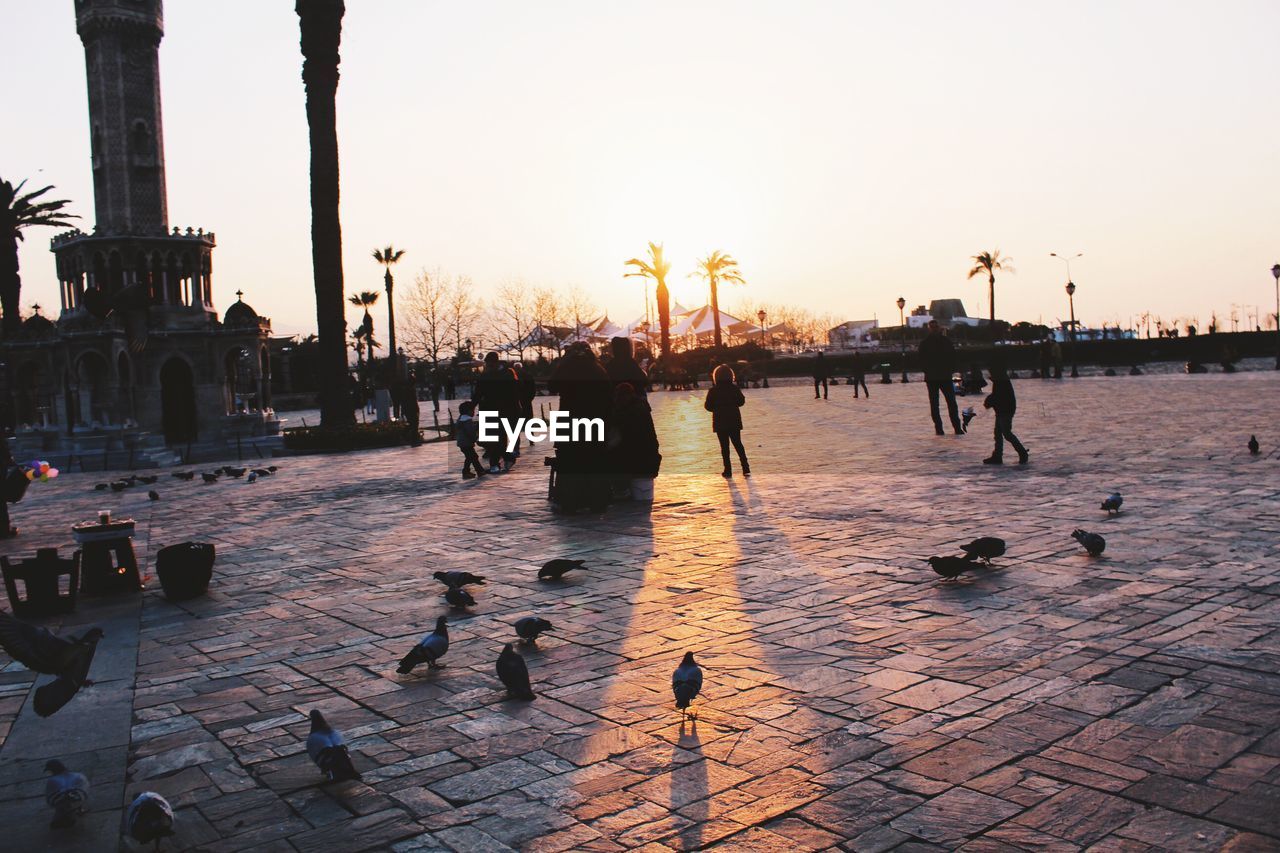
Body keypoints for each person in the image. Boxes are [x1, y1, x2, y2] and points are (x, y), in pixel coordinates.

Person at [547, 342, 613, 511]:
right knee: (594, 458)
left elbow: (552, 385)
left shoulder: (567, 368)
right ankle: (597, 501)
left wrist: (564, 362)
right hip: (594, 418)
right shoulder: (597, 368)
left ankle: (571, 501)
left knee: (570, 460)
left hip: (570, 418)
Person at [607, 382, 661, 500]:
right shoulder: (641, 409)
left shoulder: (623, 414)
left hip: (634, 462)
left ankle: (621, 492)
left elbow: (622, 440)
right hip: (646, 462)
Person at [472, 352, 521, 472]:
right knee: (498, 438)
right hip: (505, 410)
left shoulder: (486, 376)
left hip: (491, 410)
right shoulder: (509, 373)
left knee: (493, 439)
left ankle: (497, 463)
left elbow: (478, 393)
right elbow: (515, 392)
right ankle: (502, 460)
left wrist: (471, 406)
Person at [918, 320, 964, 436]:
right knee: (945, 403)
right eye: (933, 327)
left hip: (937, 376)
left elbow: (921, 360)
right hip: (940, 376)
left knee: (942, 403)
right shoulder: (942, 342)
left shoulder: (927, 343)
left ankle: (948, 428)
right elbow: (953, 356)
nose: (934, 329)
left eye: (935, 327)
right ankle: (947, 428)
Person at [704, 364, 750, 477]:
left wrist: (716, 408)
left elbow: (708, 406)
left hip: (720, 422)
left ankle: (728, 469)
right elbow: (741, 402)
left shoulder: (713, 391)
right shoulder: (734, 389)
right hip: (734, 420)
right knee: (738, 444)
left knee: (724, 447)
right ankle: (745, 467)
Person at [983, 358, 1029, 465]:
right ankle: (997, 456)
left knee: (1006, 433)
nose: (989, 371)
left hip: (1005, 410)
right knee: (998, 433)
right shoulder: (1000, 379)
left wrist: (990, 401)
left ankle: (1022, 452)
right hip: (1002, 410)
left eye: (991, 369)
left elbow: (999, 396)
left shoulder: (1000, 380)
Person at [454, 401, 487, 479]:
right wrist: (475, 438)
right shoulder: (467, 421)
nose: (473, 412)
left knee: (470, 457)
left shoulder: (462, 419)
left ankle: (467, 472)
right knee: (473, 457)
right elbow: (470, 432)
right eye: (473, 410)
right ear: (469, 411)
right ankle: (479, 471)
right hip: (466, 443)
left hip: (462, 443)